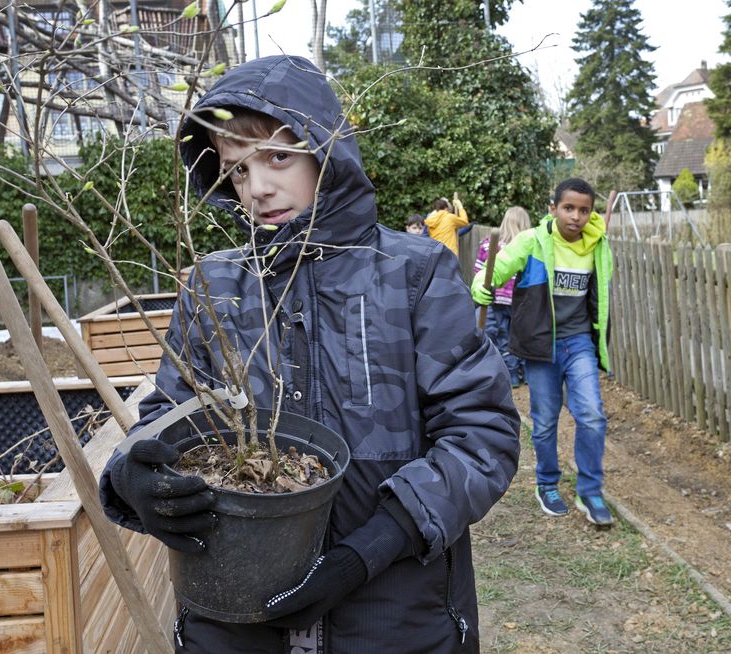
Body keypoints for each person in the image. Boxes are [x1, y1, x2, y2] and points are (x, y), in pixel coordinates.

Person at [99, 55, 520, 654]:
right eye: (236, 170)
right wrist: (136, 478)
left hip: (394, 618)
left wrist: (371, 547)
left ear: (326, 151)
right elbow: (169, 416)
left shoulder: (413, 276)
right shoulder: (212, 287)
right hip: (236, 626)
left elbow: (483, 434)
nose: (259, 187)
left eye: (277, 157)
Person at [470, 178, 614, 526]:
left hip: (579, 342)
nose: (576, 217)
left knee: (592, 414)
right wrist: (481, 287)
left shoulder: (598, 245)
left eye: (584, 210)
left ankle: (590, 490)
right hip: (540, 346)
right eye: (569, 208)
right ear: (553, 209)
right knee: (546, 421)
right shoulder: (532, 241)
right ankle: (547, 483)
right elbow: (496, 269)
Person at [473, 206, 532, 388]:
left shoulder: (488, 244)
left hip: (496, 300)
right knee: (518, 336)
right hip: (518, 301)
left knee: (500, 338)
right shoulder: (528, 248)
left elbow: (478, 272)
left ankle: (510, 375)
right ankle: (525, 373)